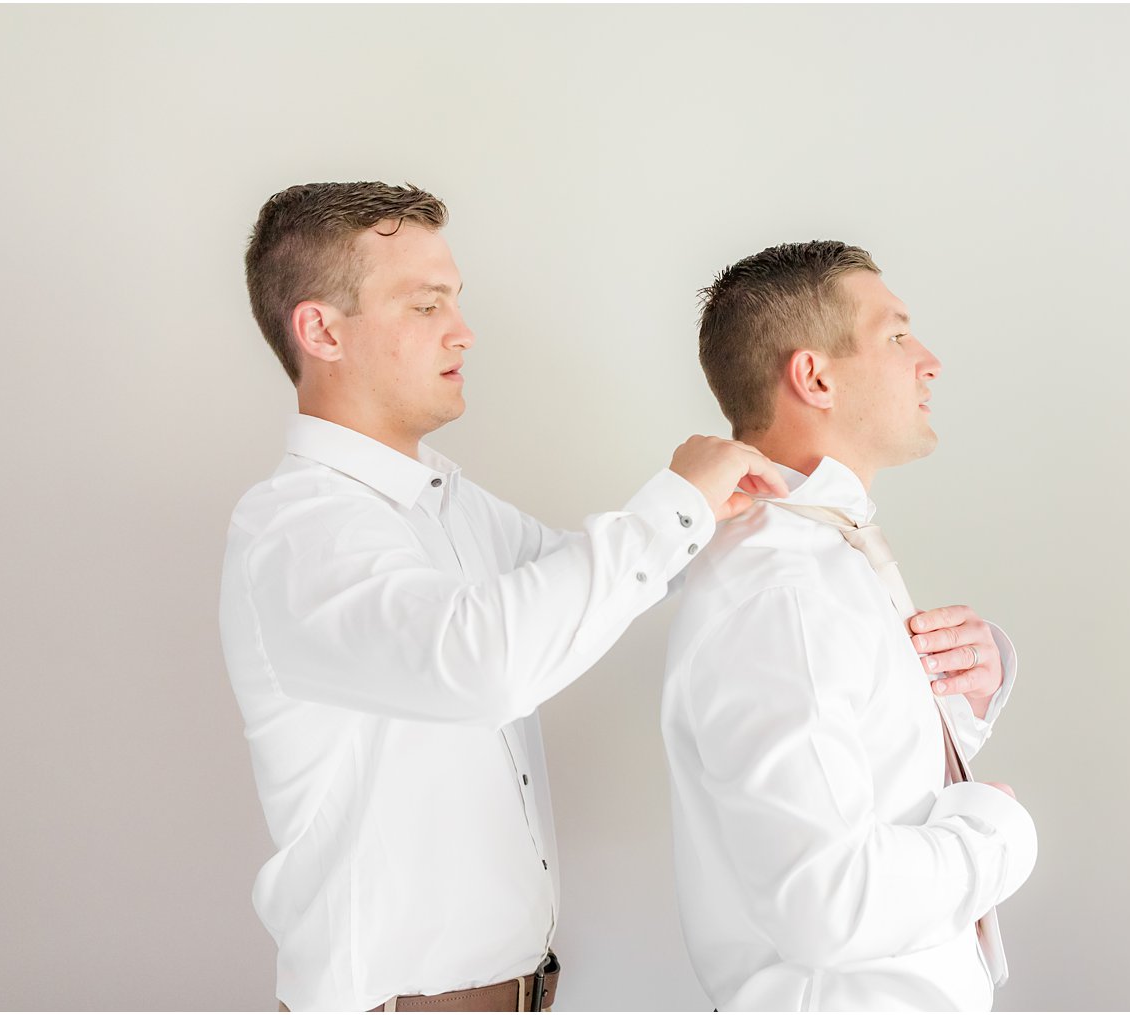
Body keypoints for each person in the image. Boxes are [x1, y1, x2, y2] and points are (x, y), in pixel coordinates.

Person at [219, 181, 786, 1012]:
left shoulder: (445, 499)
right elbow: (484, 662)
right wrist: (676, 502)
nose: (463, 329)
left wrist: (730, 516)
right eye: (424, 304)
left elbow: (581, 585)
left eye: (454, 300)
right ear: (320, 329)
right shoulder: (297, 532)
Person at [661, 241, 1038, 1011]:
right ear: (815, 376)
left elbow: (858, 785)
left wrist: (955, 707)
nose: (928, 361)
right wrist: (1002, 834)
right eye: (897, 335)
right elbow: (828, 902)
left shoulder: (825, 554)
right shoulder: (783, 589)